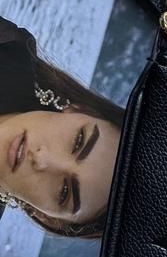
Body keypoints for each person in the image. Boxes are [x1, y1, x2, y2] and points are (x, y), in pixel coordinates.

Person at [0, 17, 123, 237]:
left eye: (64, 192)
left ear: (46, 217)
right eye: (78, 141)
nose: (41, 159)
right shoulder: (8, 48)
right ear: (78, 110)